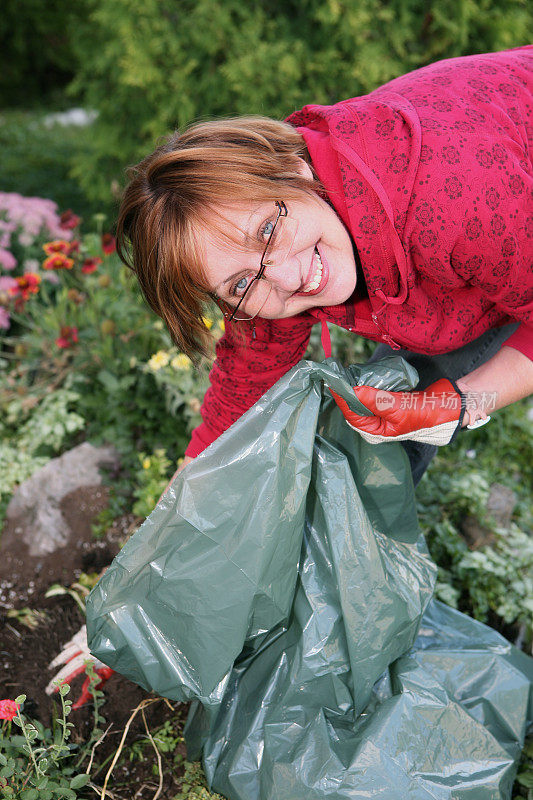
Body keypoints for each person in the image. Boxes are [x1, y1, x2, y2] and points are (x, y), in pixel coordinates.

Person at [49, 44, 533, 704]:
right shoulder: (267, 261)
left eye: (266, 231)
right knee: (355, 441)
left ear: (294, 166)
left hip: (497, 211)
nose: (283, 274)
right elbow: (232, 419)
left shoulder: (449, 198)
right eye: (241, 281)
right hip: (477, 264)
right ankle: (328, 653)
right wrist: (143, 600)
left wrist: (456, 403)